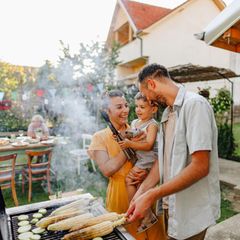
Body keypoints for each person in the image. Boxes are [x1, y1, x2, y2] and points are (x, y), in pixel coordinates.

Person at [127, 63, 220, 240]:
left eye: (147, 96)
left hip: (193, 213)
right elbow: (164, 161)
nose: (149, 101)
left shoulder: (195, 105)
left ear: (152, 84)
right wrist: (142, 192)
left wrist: (153, 194)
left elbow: (200, 166)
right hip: (172, 208)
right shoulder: (167, 114)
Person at [88, 90, 167, 240]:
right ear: (107, 110)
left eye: (126, 105)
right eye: (119, 107)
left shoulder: (139, 128)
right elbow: (107, 169)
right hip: (120, 197)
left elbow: (157, 157)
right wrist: (130, 146)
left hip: (147, 192)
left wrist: (149, 175)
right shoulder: (99, 137)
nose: (125, 110)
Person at [118, 92, 159, 233]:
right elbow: (131, 134)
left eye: (142, 107)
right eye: (136, 106)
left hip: (148, 160)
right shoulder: (135, 122)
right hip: (140, 159)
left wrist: (129, 143)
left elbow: (148, 145)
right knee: (139, 184)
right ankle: (146, 215)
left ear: (153, 109)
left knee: (129, 180)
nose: (138, 110)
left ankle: (137, 209)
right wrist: (122, 136)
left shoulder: (152, 125)